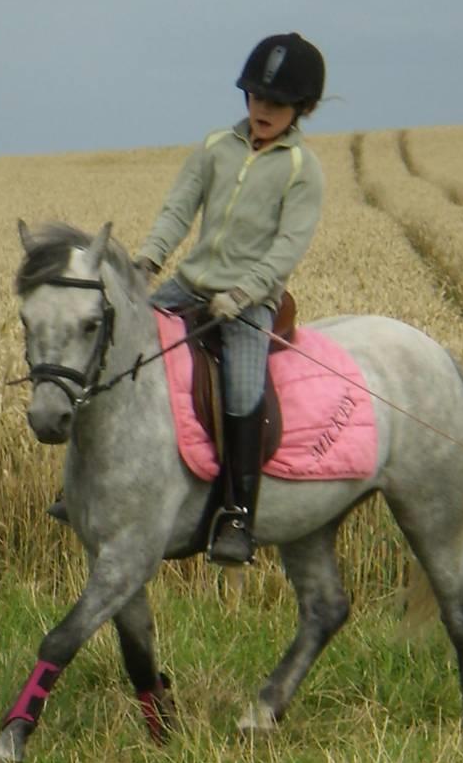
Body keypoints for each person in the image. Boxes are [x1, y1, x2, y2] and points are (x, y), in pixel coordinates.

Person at [136, 32, 326, 566]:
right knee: (120, 342)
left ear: (302, 109)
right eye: (256, 97)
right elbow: (178, 211)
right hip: (191, 285)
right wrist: (145, 263)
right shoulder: (216, 146)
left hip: (251, 301)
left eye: (278, 103)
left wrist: (243, 293)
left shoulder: (301, 170)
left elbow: (288, 248)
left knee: (243, 390)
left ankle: (237, 517)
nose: (263, 109)